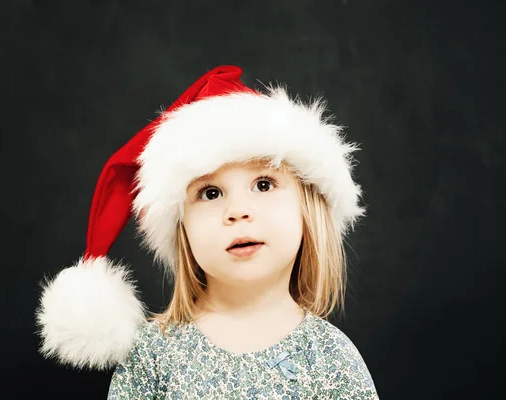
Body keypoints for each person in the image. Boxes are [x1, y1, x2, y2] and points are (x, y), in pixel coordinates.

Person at [36, 66, 379, 399]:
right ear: (181, 228)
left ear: (309, 208)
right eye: (210, 193)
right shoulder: (154, 357)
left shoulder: (329, 358)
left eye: (264, 184)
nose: (238, 211)